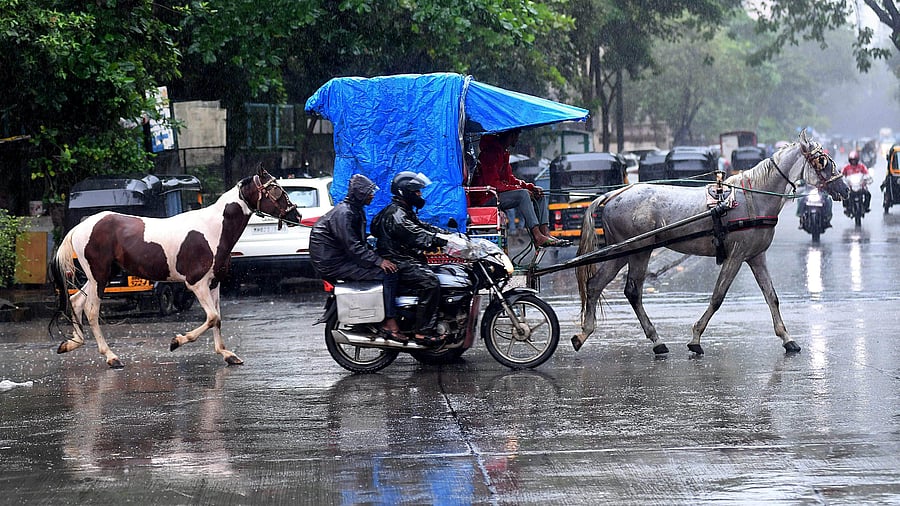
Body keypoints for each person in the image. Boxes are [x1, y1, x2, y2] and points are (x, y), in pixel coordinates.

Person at [309, 174, 403, 342]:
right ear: (360, 194)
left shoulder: (353, 210)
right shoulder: (344, 213)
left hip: (340, 258)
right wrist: (379, 261)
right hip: (335, 263)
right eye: (369, 192)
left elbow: (357, 242)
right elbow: (353, 247)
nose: (372, 195)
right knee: (389, 274)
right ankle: (389, 321)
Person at [371, 171, 449, 346]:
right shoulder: (396, 215)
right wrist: (439, 241)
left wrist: (449, 235)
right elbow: (417, 235)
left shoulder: (403, 210)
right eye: (417, 192)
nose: (420, 195)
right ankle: (423, 331)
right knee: (430, 282)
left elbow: (423, 227)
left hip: (404, 257)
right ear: (405, 192)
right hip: (398, 261)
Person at [473, 129, 570, 247]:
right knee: (523, 194)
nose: (518, 139)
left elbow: (510, 179)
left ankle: (545, 232)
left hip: (496, 194)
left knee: (539, 193)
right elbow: (494, 184)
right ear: (511, 135)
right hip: (486, 198)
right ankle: (537, 236)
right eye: (517, 135)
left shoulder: (503, 152)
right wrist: (520, 190)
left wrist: (530, 187)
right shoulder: (490, 153)